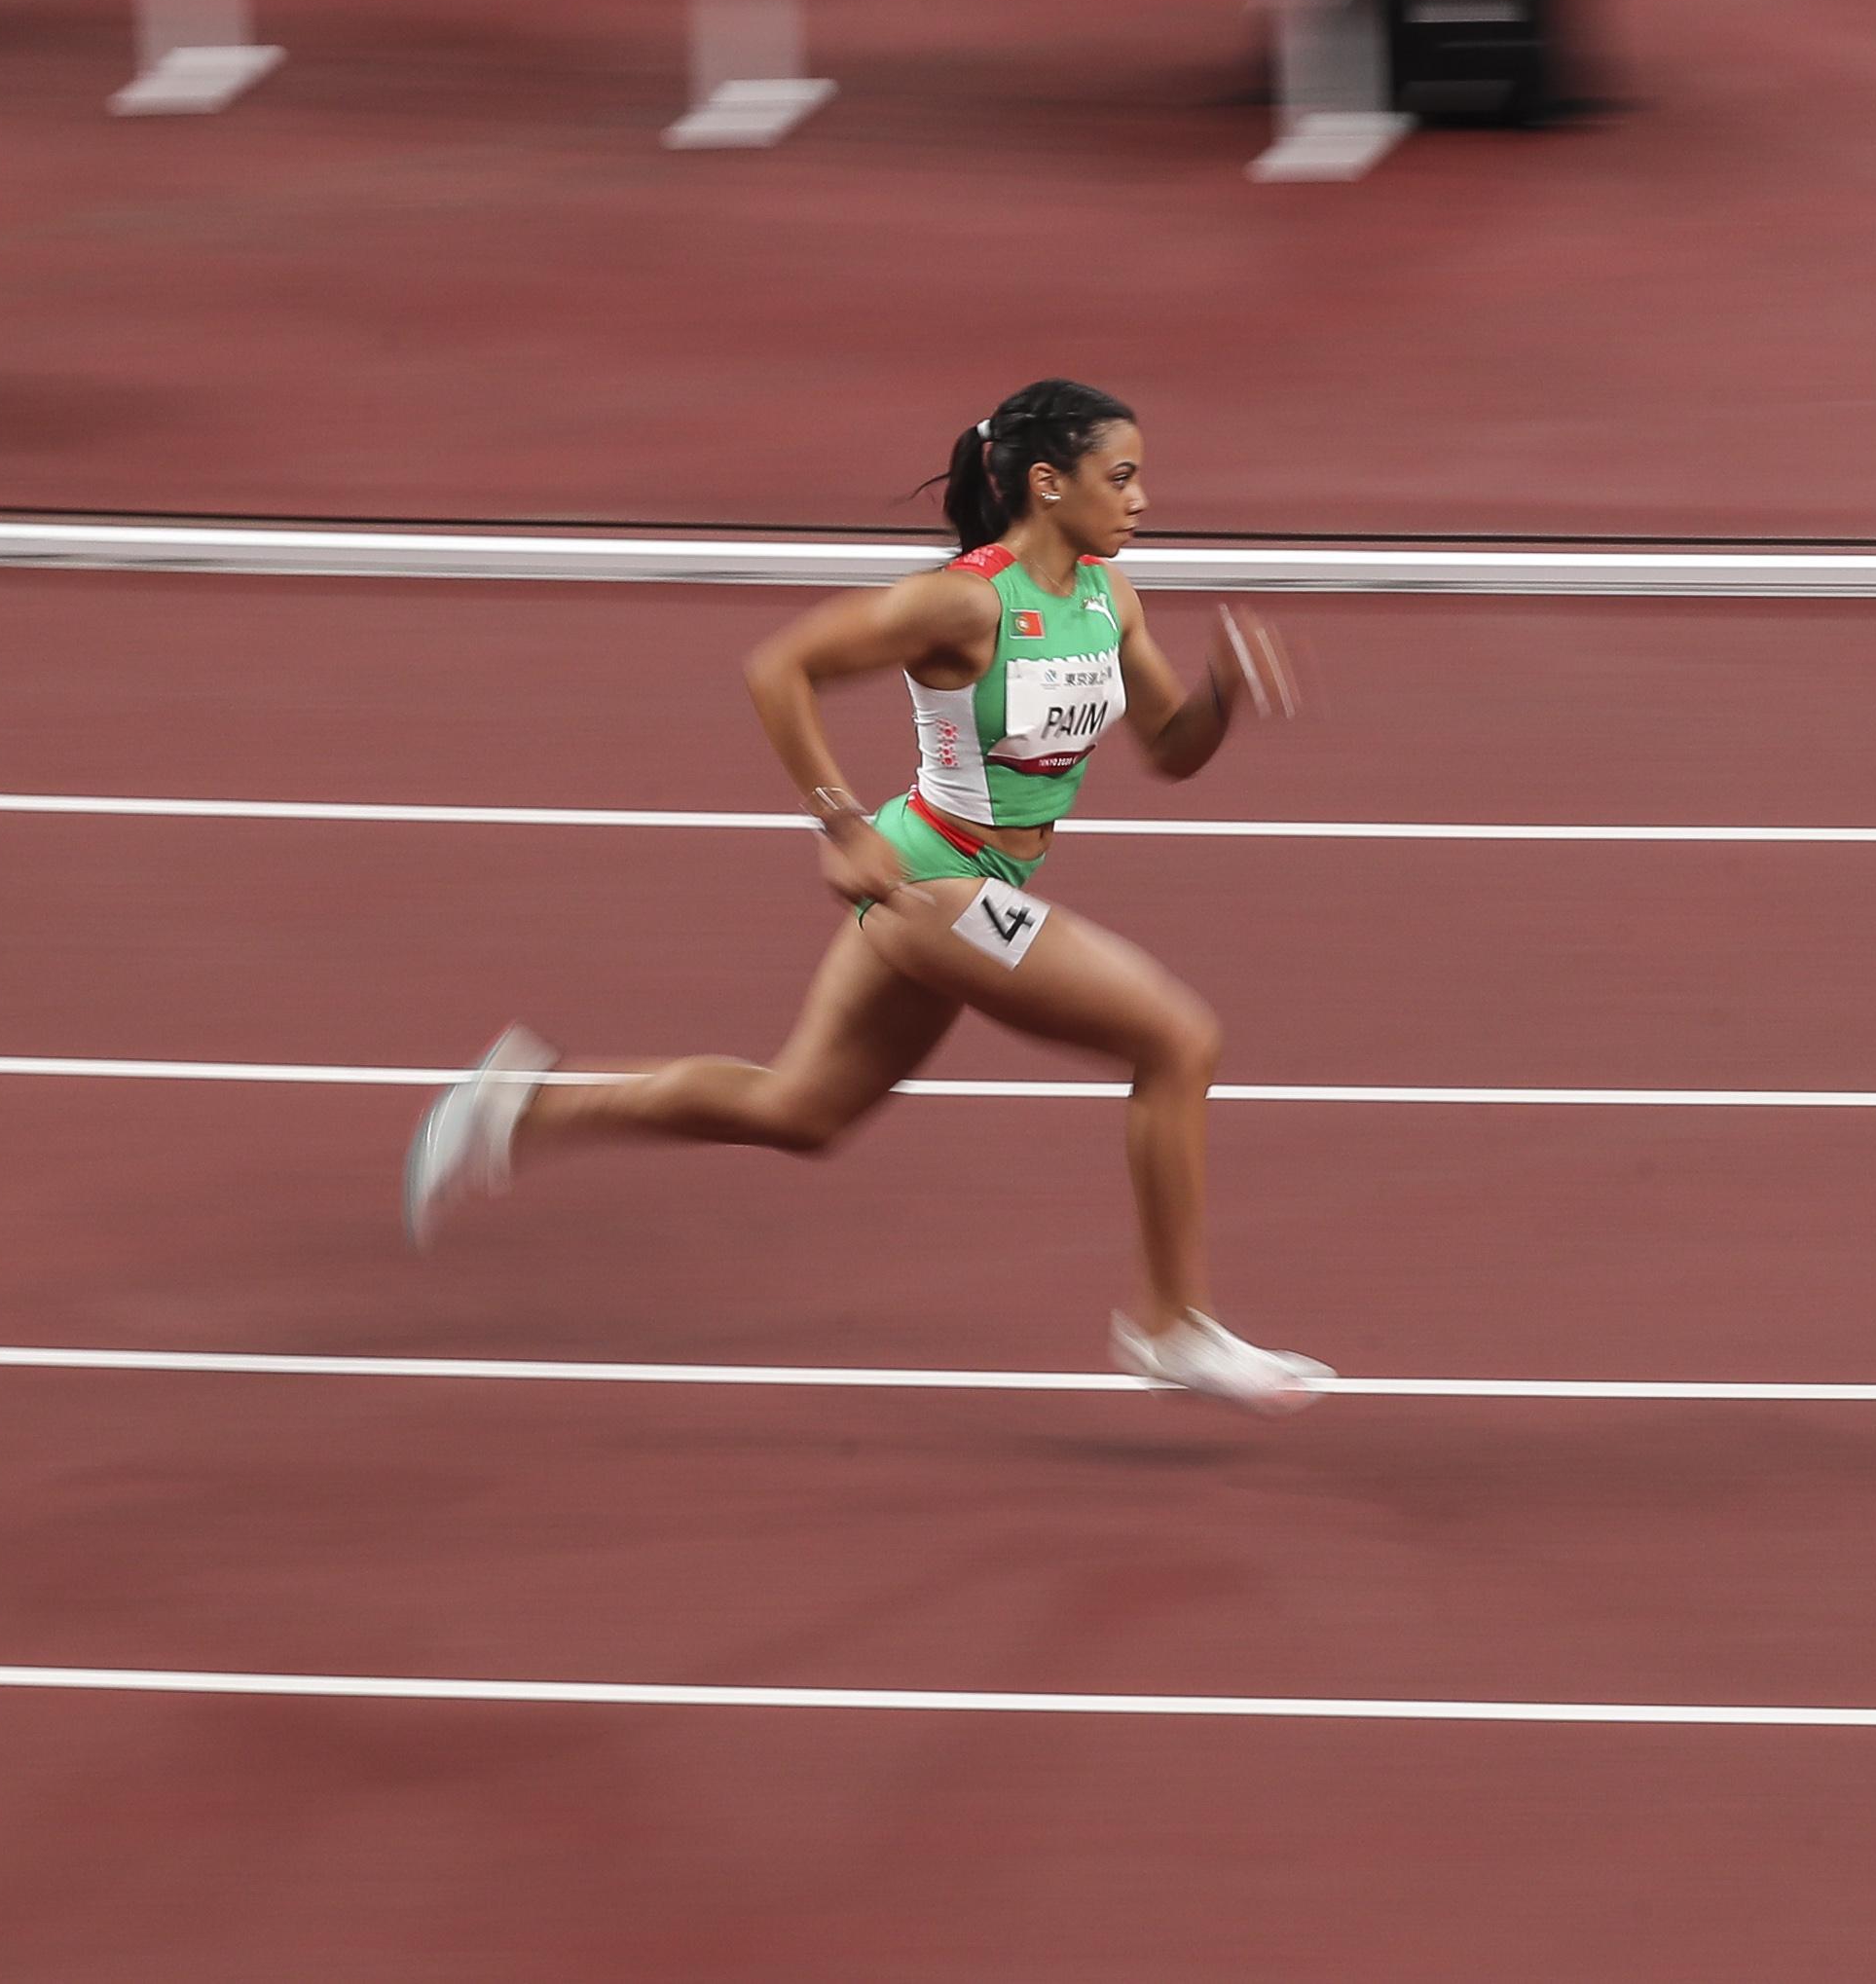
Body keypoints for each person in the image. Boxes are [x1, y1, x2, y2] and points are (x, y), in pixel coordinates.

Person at [404, 379, 1334, 1415]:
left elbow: (1169, 751)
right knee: (1176, 1038)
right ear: (1046, 482)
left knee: (800, 1109)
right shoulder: (961, 600)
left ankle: (521, 1101)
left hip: (967, 880)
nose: (1141, 498)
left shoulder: (1110, 599)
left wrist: (1221, 693)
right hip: (931, 879)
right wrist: (837, 821)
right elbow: (779, 666)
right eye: (1119, 476)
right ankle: (1167, 1324)